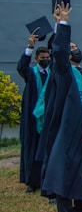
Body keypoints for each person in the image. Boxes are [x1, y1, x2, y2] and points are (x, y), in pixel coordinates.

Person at [38, 2, 82, 212]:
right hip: (67, 131)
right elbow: (60, 50)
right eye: (70, 47)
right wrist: (61, 23)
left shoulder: (81, 73)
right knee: (65, 172)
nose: (74, 49)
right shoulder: (62, 71)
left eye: (75, 47)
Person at [17, 34, 50, 195]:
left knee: (47, 151)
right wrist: (30, 47)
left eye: (47, 57)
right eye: (43, 57)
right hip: (33, 118)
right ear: (37, 59)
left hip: (48, 118)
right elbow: (21, 67)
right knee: (32, 149)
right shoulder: (31, 74)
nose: (46, 59)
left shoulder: (53, 75)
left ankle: (46, 180)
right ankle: (32, 181)